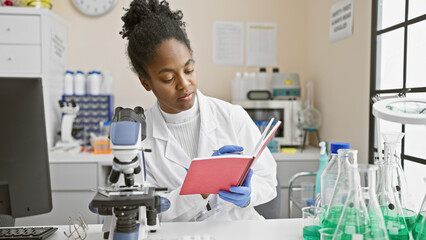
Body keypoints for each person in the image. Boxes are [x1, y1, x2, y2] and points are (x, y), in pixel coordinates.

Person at [120, 0, 277, 222]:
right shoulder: (138, 138)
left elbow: (269, 181)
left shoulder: (232, 116)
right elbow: (143, 211)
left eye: (189, 69)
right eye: (168, 78)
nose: (184, 84)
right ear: (146, 82)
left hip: (240, 232)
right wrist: (202, 186)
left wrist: (250, 194)